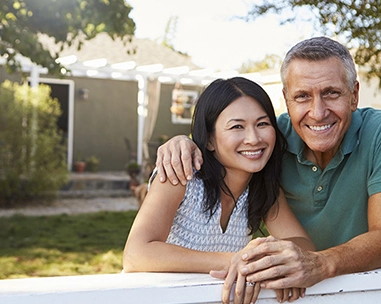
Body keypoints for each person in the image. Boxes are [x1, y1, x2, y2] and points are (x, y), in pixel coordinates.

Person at [155, 37, 381, 299]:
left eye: (331, 93)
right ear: (287, 99)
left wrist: (318, 263)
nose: (318, 112)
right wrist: (185, 143)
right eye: (302, 96)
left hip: (361, 289)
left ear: (354, 95)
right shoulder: (271, 139)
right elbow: (227, 141)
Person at [123, 77, 315, 303]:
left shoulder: (261, 189)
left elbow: (305, 248)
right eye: (237, 127)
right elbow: (136, 254)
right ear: (210, 139)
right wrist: (239, 260)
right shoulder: (181, 175)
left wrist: (266, 261)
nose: (253, 138)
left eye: (262, 124)